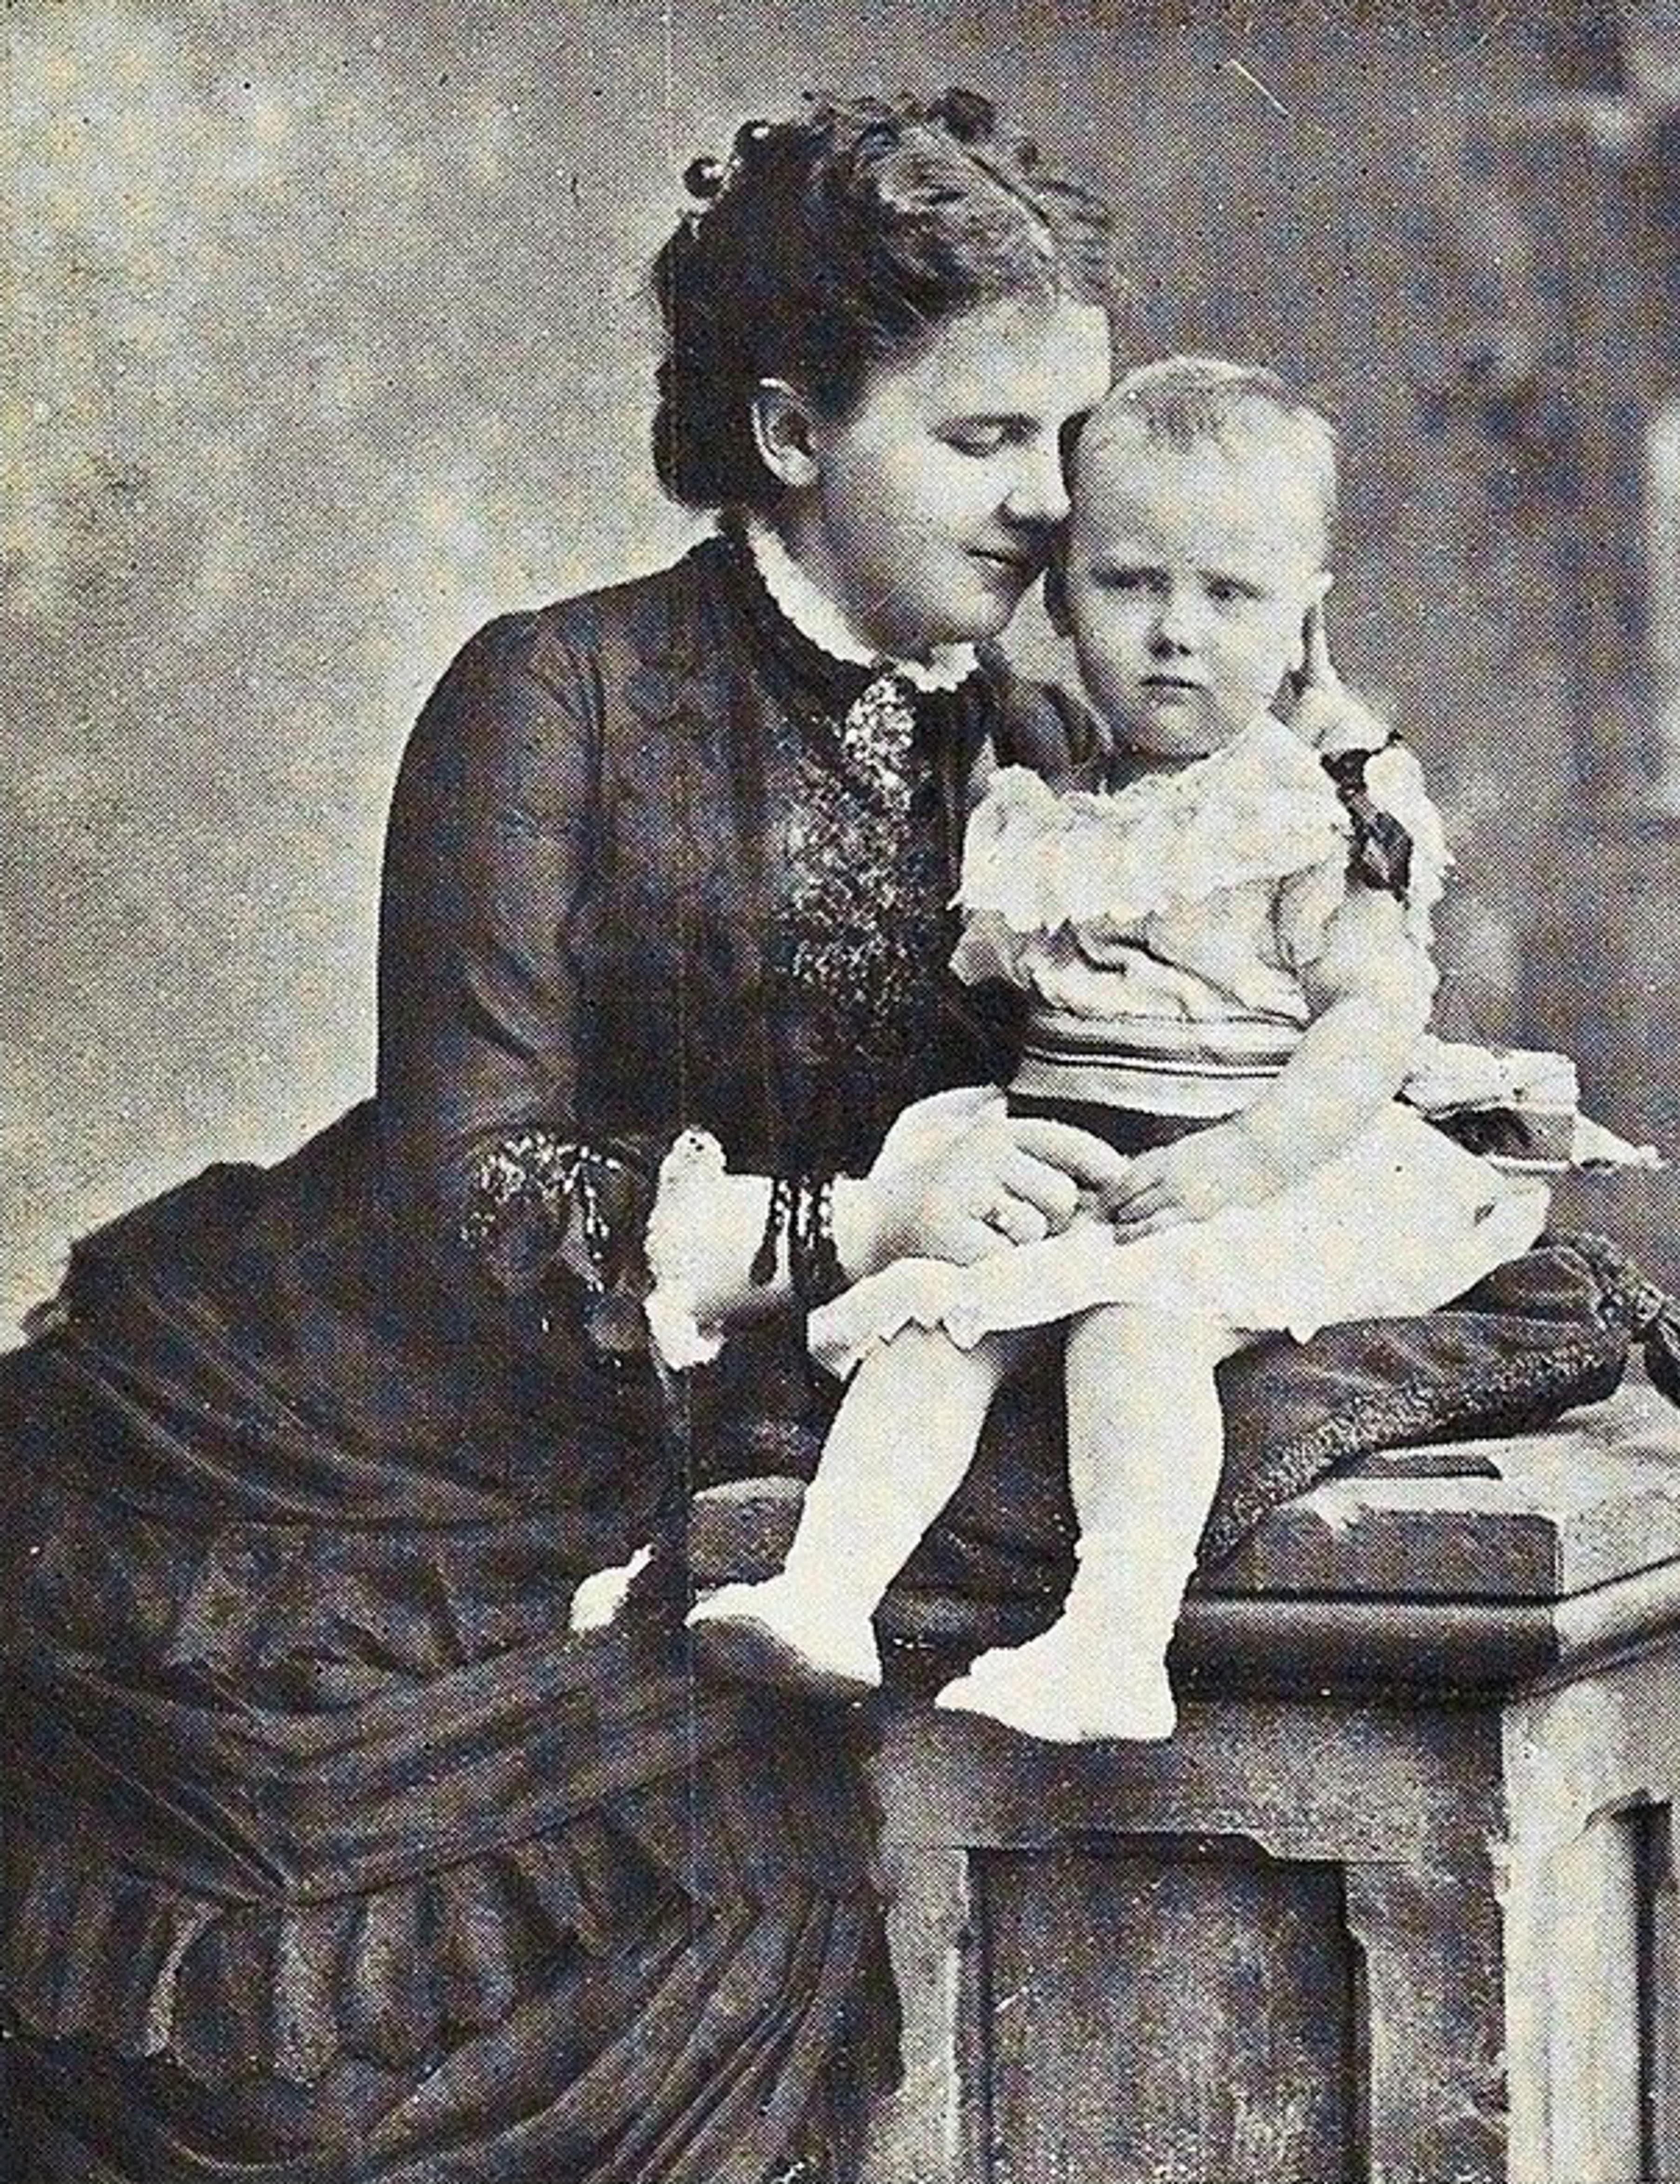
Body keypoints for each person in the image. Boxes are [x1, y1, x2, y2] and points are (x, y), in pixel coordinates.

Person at [0, 89, 1126, 2183]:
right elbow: (474, 1188)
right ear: (791, 432)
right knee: (332, 2045)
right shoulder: (557, 696)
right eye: (983, 442)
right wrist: (860, 1212)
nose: (1051, 508)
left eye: (1071, 441)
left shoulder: (1030, 736)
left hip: (792, 1421)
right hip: (399, 1433)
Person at [688, 357, 1593, 1743]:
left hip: (1247, 1160)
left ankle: (1115, 1635)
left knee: (1133, 1332)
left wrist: (1246, 1161)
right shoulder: (1048, 816)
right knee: (934, 1326)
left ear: (1304, 617)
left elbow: (1370, 1018)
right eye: (1130, 584)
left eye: (1229, 596)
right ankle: (824, 1592)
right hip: (1080, 1155)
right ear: (1059, 599)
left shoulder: (1303, 814)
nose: (1176, 633)